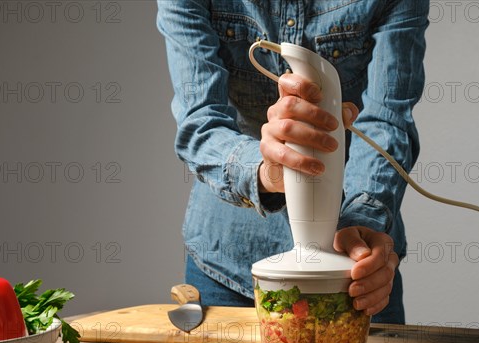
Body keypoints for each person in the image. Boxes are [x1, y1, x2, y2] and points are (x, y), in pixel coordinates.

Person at [157, 0, 429, 324]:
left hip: (354, 261)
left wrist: (362, 218)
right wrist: (265, 169)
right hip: (225, 262)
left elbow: (387, 119)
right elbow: (201, 122)